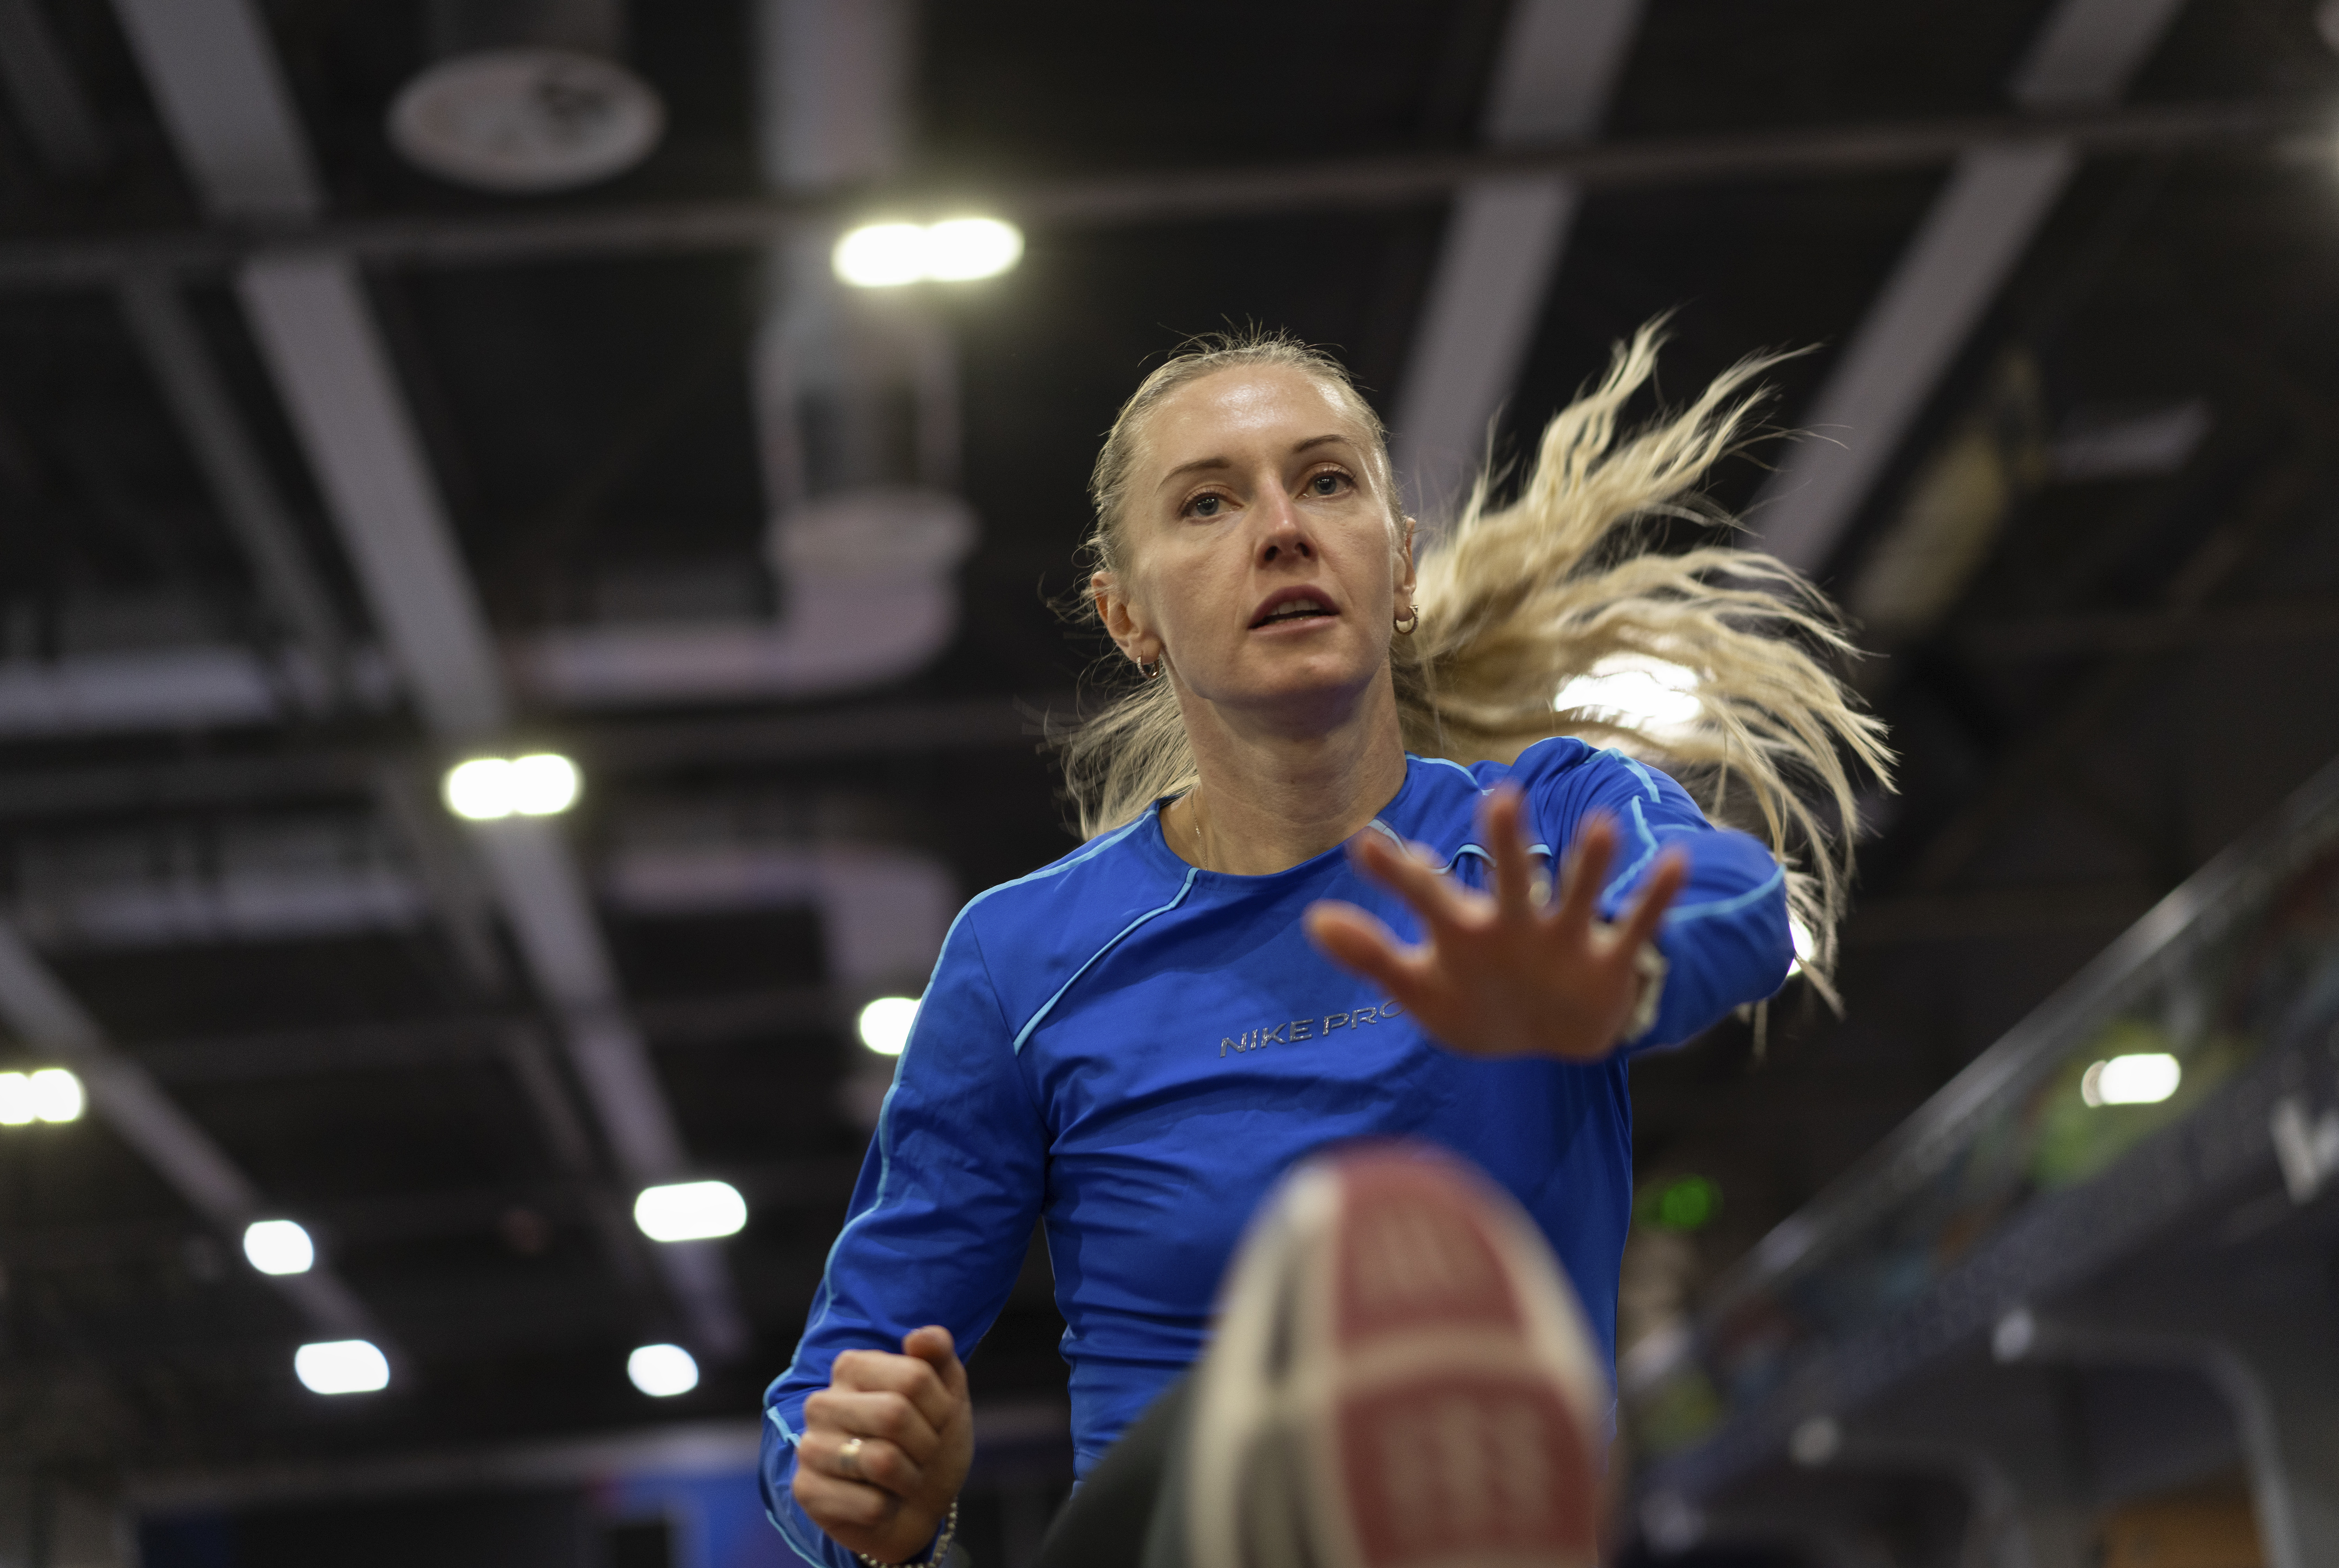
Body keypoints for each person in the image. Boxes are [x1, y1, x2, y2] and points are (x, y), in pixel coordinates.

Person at [758, 327, 1892, 1568]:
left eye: (1329, 481)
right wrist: (876, 1511)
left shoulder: (1553, 824)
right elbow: (831, 1398)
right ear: (1127, 615)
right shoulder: (1021, 957)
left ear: (1398, 564)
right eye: (1208, 503)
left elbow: (1742, 902)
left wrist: (1620, 979)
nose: (1282, 528)